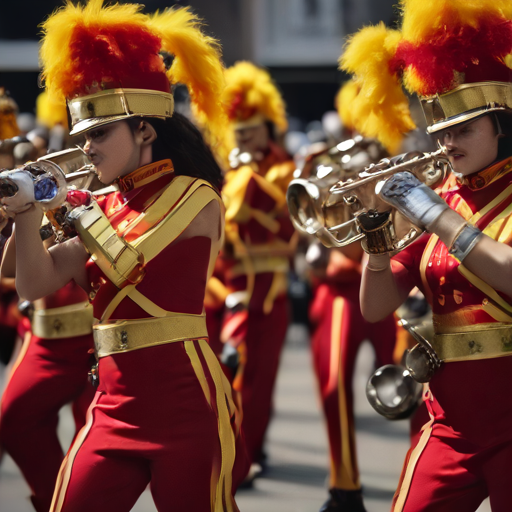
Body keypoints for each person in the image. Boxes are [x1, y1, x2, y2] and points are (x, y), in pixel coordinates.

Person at [4, 1, 243, 510]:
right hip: (112, 404)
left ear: (145, 131)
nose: (85, 148)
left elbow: (127, 263)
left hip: (186, 401)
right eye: (81, 136)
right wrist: (26, 212)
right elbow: (31, 283)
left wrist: (70, 206)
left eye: (98, 134)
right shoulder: (102, 204)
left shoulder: (194, 194)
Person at [341, 2, 512, 511]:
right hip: (450, 421)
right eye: (441, 129)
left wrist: (433, 213)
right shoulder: (441, 199)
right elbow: (375, 307)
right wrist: (376, 235)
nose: (447, 142)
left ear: (502, 124)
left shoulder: (439, 207)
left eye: (464, 129)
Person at [215, 61, 297, 479]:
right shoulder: (225, 168)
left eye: (251, 129)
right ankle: (232, 457)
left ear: (269, 128)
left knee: (259, 382)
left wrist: (246, 178)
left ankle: (250, 453)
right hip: (226, 289)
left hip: (271, 290)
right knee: (225, 377)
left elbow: (289, 227)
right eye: (238, 131)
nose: (244, 137)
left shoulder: (287, 169)